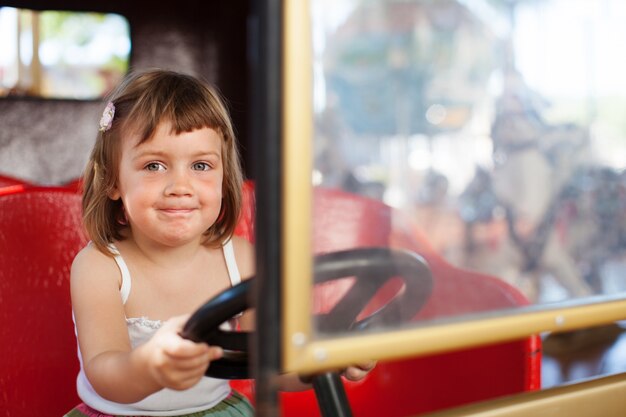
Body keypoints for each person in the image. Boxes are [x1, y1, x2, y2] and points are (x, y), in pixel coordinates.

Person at [64, 69, 374, 417]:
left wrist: (325, 359)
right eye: (154, 165)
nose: (180, 186)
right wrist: (150, 365)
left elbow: (271, 366)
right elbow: (105, 373)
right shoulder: (100, 267)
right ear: (113, 183)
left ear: (224, 176)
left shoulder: (241, 259)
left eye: (200, 165)